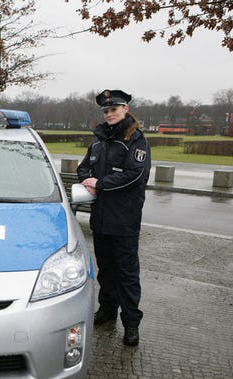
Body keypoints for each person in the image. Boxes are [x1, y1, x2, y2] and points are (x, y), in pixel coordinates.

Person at [77, 89, 151, 346]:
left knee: (127, 274)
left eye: (114, 109)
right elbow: (83, 167)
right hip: (101, 219)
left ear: (125, 109)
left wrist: (100, 183)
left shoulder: (136, 140)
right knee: (106, 270)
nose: (109, 114)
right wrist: (87, 179)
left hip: (124, 220)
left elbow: (134, 175)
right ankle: (107, 312)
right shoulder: (98, 140)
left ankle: (131, 322)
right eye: (106, 111)